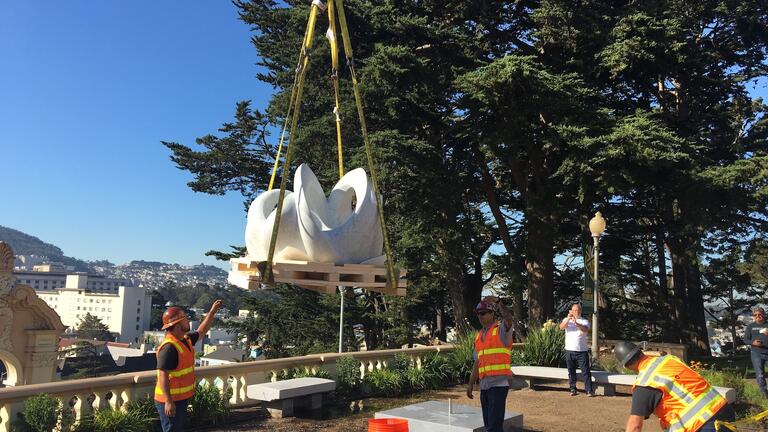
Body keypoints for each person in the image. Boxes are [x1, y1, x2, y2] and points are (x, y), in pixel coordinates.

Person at [614, 341, 735, 432]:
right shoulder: (669, 360)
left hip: (700, 425)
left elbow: (634, 426)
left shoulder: (644, 384)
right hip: (723, 409)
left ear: (627, 365)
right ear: (640, 351)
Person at [154, 300, 223, 432]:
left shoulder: (185, 339)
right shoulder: (169, 348)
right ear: (177, 325)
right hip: (169, 400)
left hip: (180, 398)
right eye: (185, 320)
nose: (188, 322)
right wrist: (168, 401)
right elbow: (162, 375)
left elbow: (202, 331)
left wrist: (212, 312)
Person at [466, 296, 514, 432]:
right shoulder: (479, 336)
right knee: (489, 426)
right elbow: (477, 362)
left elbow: (509, 318)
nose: (480, 316)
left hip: (498, 385)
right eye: (478, 313)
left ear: (492, 313)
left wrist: (498, 302)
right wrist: (470, 384)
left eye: (483, 313)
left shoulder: (500, 330)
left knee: (494, 426)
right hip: (485, 386)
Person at [559, 303, 593, 396]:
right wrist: (568, 318)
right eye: (574, 310)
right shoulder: (567, 320)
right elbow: (561, 327)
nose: (576, 312)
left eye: (578, 310)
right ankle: (573, 389)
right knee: (571, 371)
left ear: (580, 311)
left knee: (585, 371)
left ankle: (589, 390)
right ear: (571, 311)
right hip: (569, 350)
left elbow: (585, 330)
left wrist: (576, 323)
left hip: (582, 351)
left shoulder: (584, 321)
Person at [743, 306, 768, 398]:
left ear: (764, 315)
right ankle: (764, 393)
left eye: (760, 314)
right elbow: (745, 340)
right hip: (756, 353)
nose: (758, 316)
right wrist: (752, 343)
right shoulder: (750, 326)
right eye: (755, 315)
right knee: (760, 374)